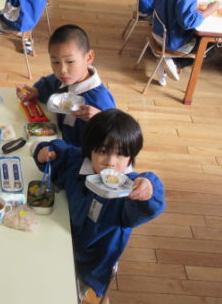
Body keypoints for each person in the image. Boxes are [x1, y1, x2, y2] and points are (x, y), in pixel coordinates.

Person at [33, 109, 165, 302]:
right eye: (103, 151)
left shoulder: (128, 190)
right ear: (89, 150)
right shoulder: (77, 162)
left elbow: (149, 204)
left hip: (92, 263)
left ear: (131, 157)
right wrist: (44, 152)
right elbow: (59, 152)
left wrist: (149, 190)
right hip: (59, 242)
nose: (111, 162)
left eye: (121, 155)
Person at [17, 24, 115, 146]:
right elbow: (47, 84)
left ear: (88, 57)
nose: (62, 70)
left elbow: (117, 137)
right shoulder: (63, 80)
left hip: (82, 154)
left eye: (70, 61)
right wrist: (36, 91)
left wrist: (101, 120)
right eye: (55, 62)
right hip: (59, 141)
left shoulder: (100, 99)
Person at [152, 0, 221, 86]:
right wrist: (210, 10)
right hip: (171, 40)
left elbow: (172, 0)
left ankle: (168, 62)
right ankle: (174, 63)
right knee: (210, 45)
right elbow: (189, 22)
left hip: (157, 31)